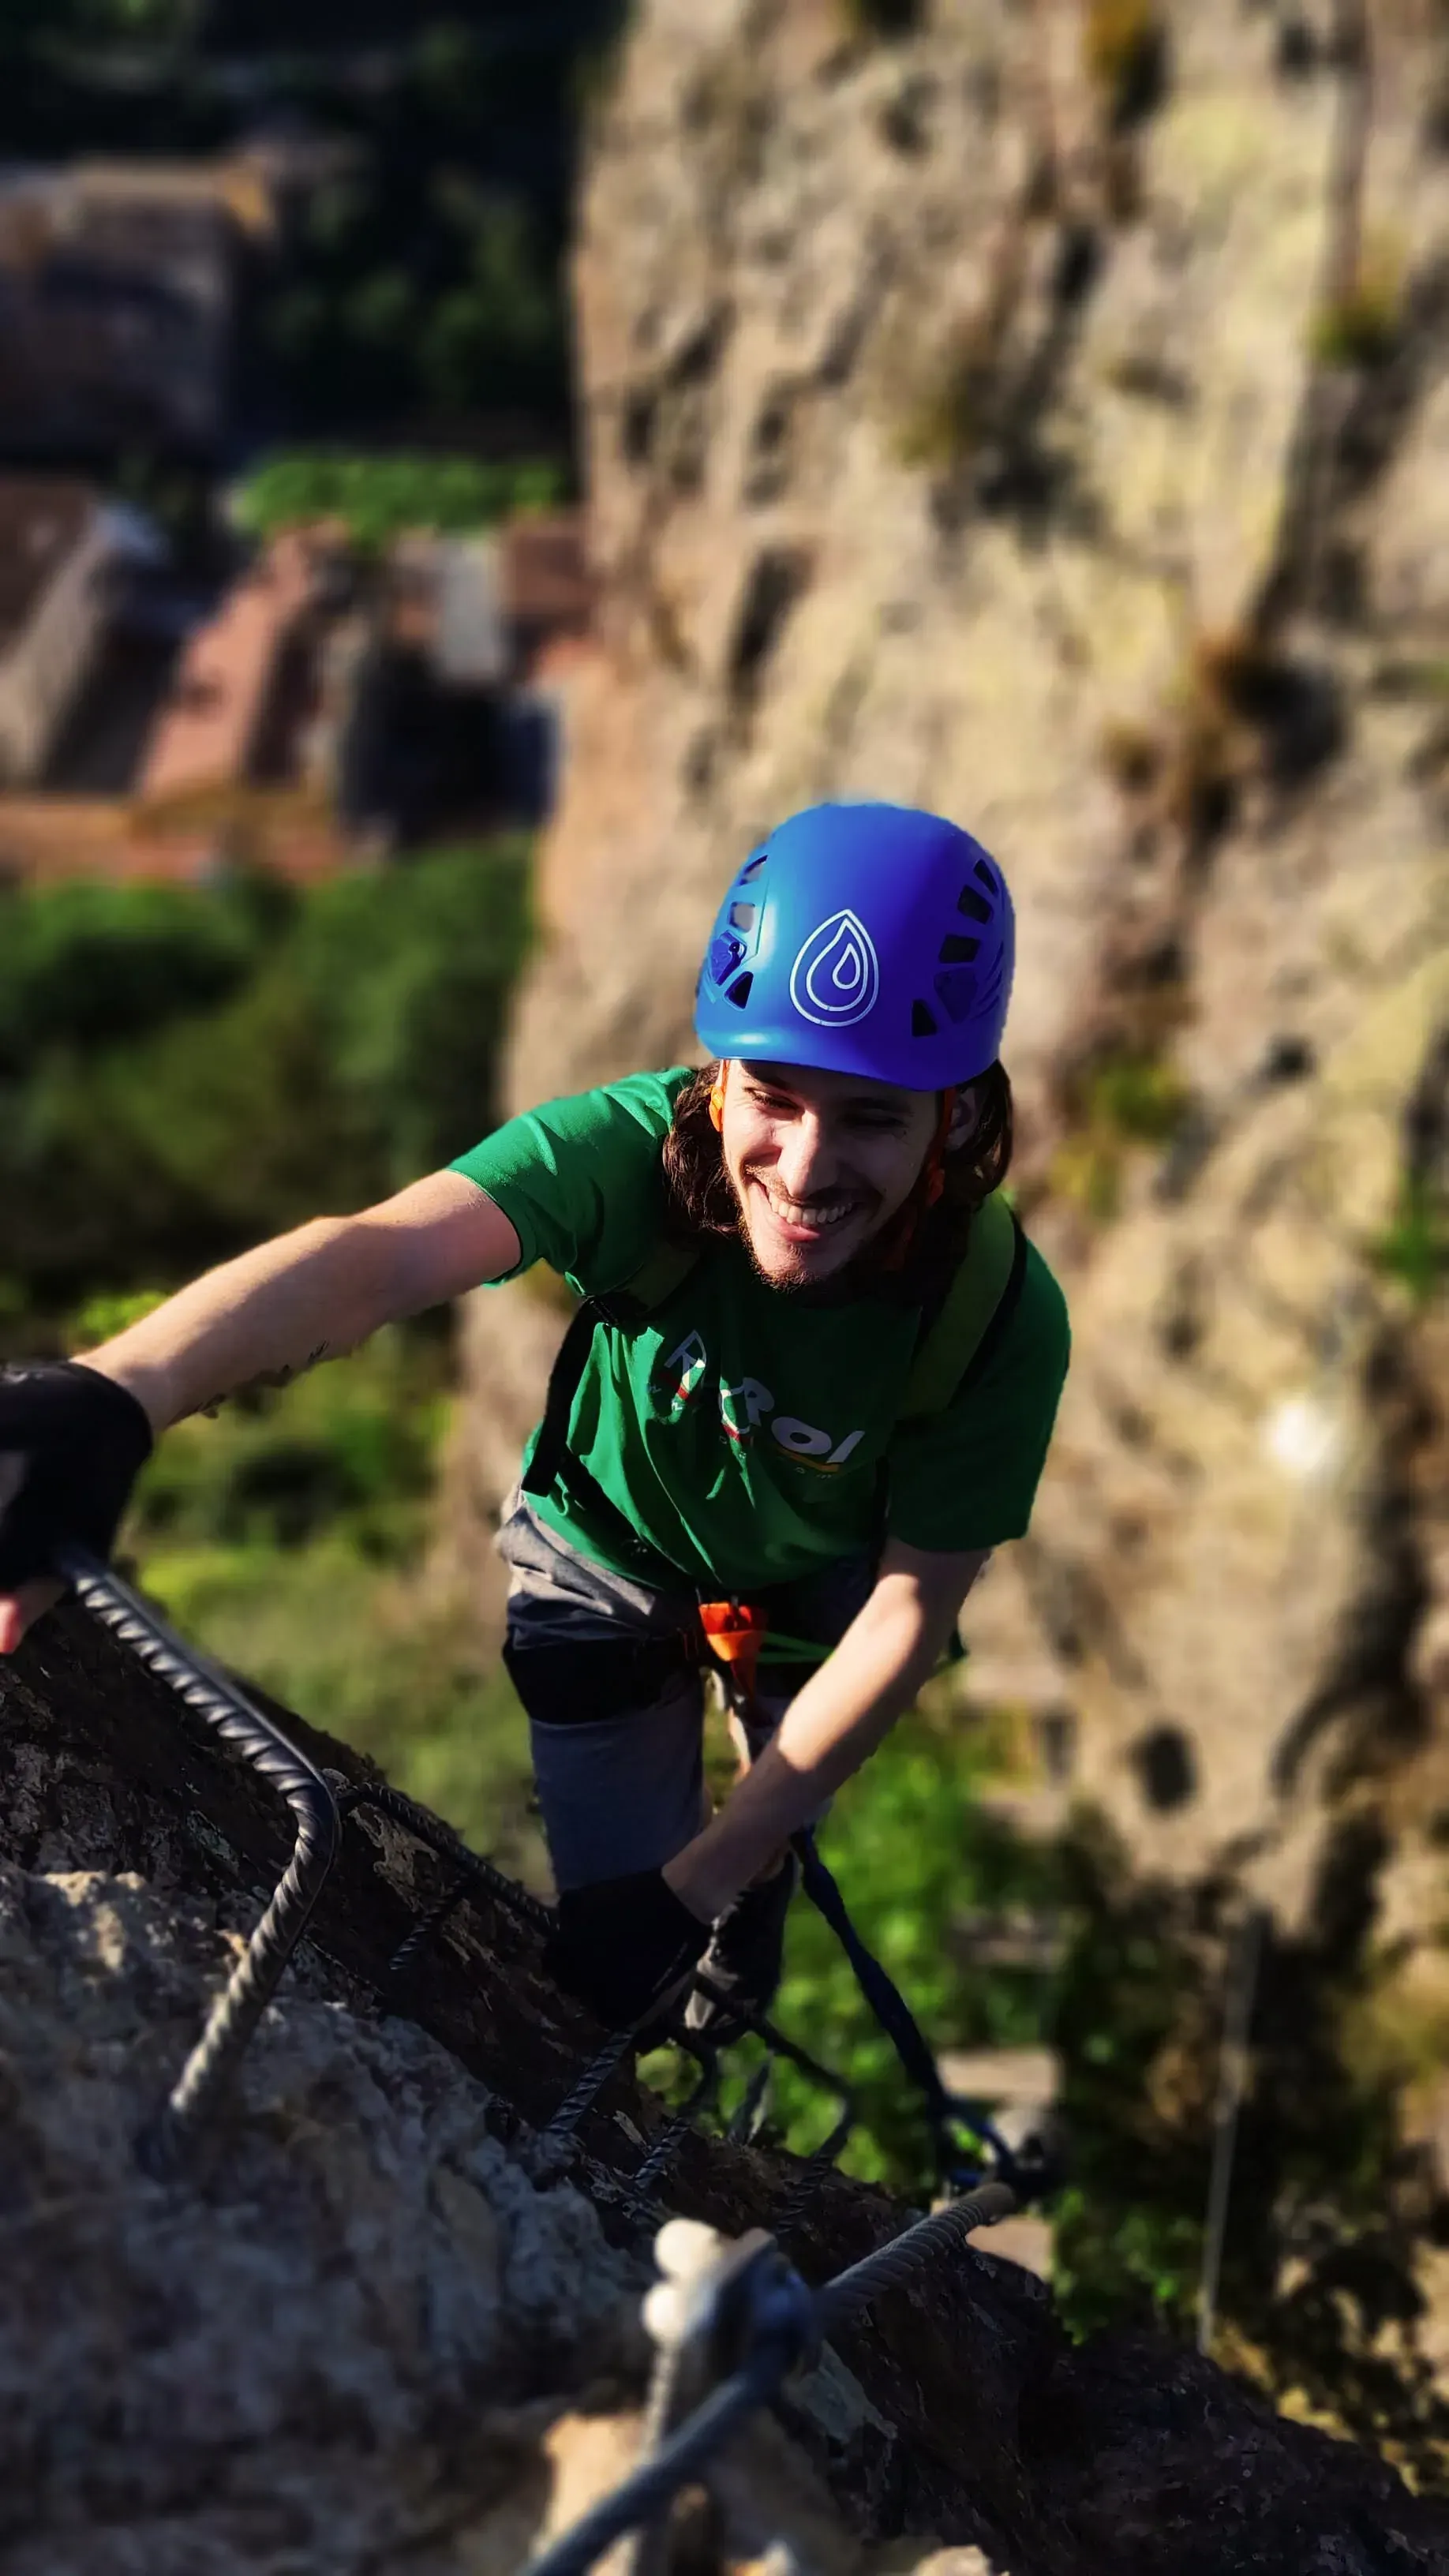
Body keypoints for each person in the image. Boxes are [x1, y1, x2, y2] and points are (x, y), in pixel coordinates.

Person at [0, 801, 1068, 2039]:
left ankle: (751, 1897)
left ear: (962, 1118)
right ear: (718, 1077)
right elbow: (382, 1257)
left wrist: (712, 1881)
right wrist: (121, 1390)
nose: (807, 1166)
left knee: (746, 1851)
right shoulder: (626, 1158)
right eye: (773, 1094)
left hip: (823, 1573)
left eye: (874, 1116)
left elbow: (909, 1608)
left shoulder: (994, 1317)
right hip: (604, 1546)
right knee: (620, 1922)